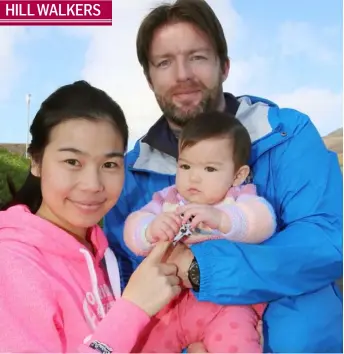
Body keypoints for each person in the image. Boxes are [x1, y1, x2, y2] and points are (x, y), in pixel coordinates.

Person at [103, 0, 343, 352]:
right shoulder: (129, 175)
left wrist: (202, 269)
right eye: (165, 62)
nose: (182, 74)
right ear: (149, 78)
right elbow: (119, 286)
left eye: (197, 56)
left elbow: (326, 242)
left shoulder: (285, 134)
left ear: (224, 65)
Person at [0, 81, 184, 353]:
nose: (93, 184)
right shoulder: (12, 263)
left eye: (109, 164)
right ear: (36, 162)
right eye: (73, 162)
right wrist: (133, 308)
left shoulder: (102, 253)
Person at [123, 112, 275, 353]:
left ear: (238, 175)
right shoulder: (168, 199)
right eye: (185, 165)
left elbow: (264, 221)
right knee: (142, 345)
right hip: (169, 305)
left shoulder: (239, 198)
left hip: (228, 307)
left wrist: (224, 219)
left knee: (237, 344)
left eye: (210, 169)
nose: (193, 176)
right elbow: (132, 228)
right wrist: (149, 229)